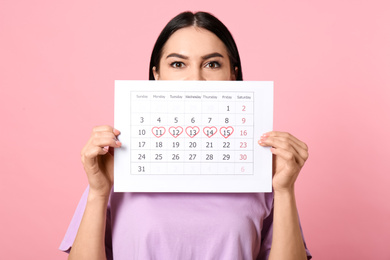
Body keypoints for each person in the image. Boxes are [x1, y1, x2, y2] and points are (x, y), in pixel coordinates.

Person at [60, 11, 312, 260]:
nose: (195, 80)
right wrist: (98, 192)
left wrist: (285, 190)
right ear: (157, 75)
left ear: (232, 75)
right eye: (178, 64)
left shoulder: (262, 171)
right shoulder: (118, 165)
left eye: (212, 64)